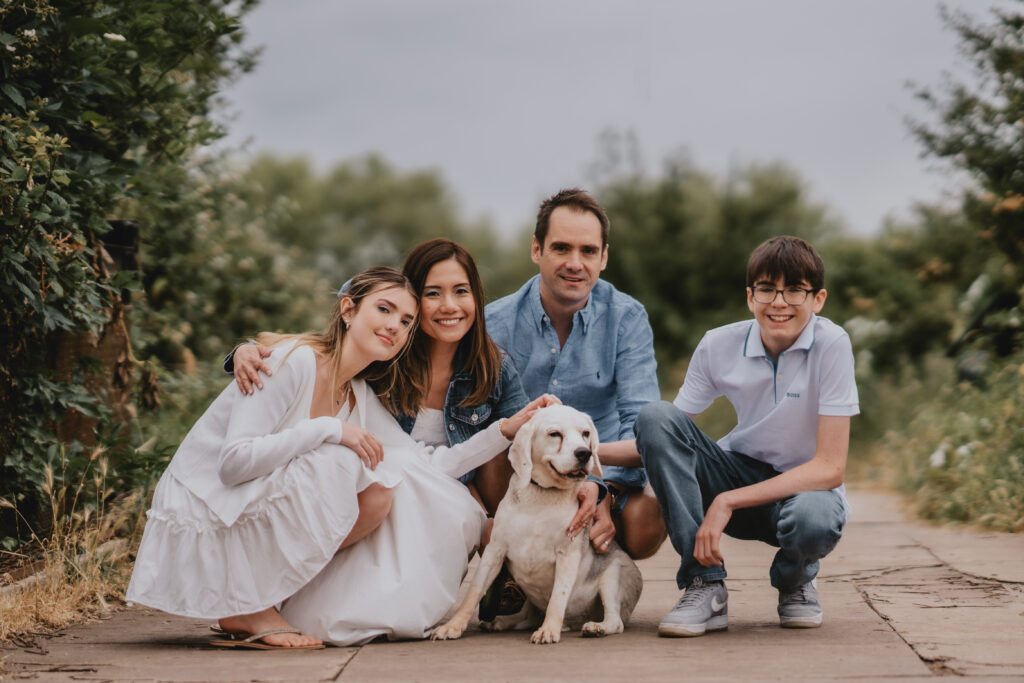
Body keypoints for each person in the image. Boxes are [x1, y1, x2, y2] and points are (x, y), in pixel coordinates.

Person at [126, 267, 553, 648]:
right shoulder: (290, 362)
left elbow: (424, 465)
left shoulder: (359, 395)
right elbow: (233, 463)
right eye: (384, 310)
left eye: (405, 321)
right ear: (348, 310)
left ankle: (274, 595)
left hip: (253, 506)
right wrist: (329, 431)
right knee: (340, 462)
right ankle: (247, 605)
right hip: (210, 506)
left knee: (385, 489)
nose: (394, 327)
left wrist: (505, 430)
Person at [634, 235, 859, 637]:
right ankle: (704, 584)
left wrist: (726, 502)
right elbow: (662, 435)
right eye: (767, 289)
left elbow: (830, 468)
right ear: (750, 296)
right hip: (737, 471)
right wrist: (584, 453)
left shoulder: (833, 345)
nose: (779, 302)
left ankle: (796, 578)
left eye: (795, 290)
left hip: (801, 494)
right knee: (654, 415)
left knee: (814, 517)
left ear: (818, 299)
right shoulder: (718, 344)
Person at [485, 188, 667, 559]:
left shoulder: (627, 319)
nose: (575, 263)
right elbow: (484, 426)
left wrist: (597, 484)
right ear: (537, 250)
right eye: (561, 248)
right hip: (524, 477)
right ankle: (512, 575)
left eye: (587, 251)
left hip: (607, 471)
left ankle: (593, 558)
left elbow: (644, 434)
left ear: (603, 258)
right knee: (488, 462)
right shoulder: (494, 324)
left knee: (650, 514)